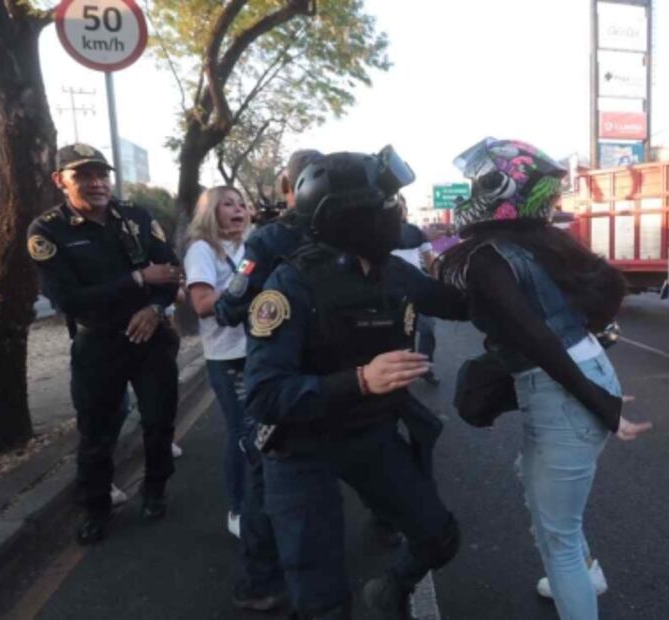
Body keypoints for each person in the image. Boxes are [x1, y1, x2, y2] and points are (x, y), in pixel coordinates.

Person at [245, 148, 466, 619]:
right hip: (301, 448)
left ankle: (391, 588)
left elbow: (460, 303)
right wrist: (361, 380)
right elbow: (265, 395)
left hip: (369, 435)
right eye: (387, 205)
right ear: (350, 217)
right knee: (321, 598)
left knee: (439, 536)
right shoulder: (289, 286)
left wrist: (510, 258)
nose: (397, 214)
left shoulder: (393, 271)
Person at [437, 138, 652, 620]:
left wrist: (600, 404)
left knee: (555, 534)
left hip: (566, 386)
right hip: (583, 371)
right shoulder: (532, 244)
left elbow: (538, 340)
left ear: (502, 187)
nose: (473, 189)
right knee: (544, 499)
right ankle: (587, 571)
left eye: (483, 180)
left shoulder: (492, 255)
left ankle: (579, 580)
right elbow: (604, 294)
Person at [27, 143, 183, 544]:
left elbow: (170, 272)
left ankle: (155, 490)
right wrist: (136, 280)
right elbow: (68, 300)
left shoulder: (136, 217)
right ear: (60, 181)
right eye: (83, 176)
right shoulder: (47, 231)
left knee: (158, 422)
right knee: (95, 433)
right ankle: (96, 507)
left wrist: (155, 307)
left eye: (102, 175)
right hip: (98, 345)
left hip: (150, 339)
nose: (97, 183)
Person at [184, 186, 252, 537]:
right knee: (242, 433)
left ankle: (260, 499)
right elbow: (202, 303)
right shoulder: (202, 250)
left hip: (258, 350)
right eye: (228, 204)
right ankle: (238, 508)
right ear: (211, 212)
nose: (238, 209)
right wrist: (246, 288)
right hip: (227, 355)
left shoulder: (251, 246)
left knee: (262, 431)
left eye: (241, 204)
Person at [213, 149, 322, 328]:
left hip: (283, 349)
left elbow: (230, 308)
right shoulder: (347, 232)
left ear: (286, 185)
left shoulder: (264, 240)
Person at [392, 194, 440, 386]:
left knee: (428, 331)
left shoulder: (416, 233)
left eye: (401, 206)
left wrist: (437, 284)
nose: (399, 210)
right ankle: (402, 373)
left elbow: (429, 262)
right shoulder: (380, 232)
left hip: (418, 289)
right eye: (395, 206)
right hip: (394, 293)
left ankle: (425, 368)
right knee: (401, 335)